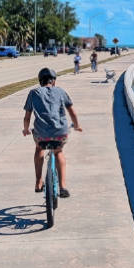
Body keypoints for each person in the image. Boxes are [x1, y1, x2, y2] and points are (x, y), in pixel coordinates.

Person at [23, 67, 82, 197]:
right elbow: (72, 112)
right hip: (59, 132)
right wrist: (77, 126)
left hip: (41, 133)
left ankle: (38, 182)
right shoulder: (61, 91)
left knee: (39, 149)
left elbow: (27, 117)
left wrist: (26, 129)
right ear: (54, 81)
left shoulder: (33, 93)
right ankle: (62, 187)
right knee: (58, 151)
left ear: (40, 81)